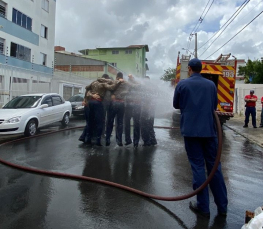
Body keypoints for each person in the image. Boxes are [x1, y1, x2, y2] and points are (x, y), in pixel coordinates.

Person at [173, 58, 228, 218]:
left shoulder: (182, 85)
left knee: (198, 166)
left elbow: (176, 105)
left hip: (191, 132)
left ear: (189, 68)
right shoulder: (211, 84)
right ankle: (222, 207)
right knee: (214, 166)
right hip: (209, 131)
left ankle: (203, 207)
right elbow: (213, 105)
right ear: (201, 69)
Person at [84, 77, 122, 146]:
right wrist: (118, 82)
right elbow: (112, 87)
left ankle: (88, 139)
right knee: (100, 122)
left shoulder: (93, 83)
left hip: (90, 102)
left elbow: (86, 87)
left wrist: (90, 95)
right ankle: (98, 140)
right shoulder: (103, 84)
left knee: (90, 121)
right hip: (98, 102)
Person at [106, 72, 138, 147]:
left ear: (117, 76)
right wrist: (132, 78)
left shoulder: (114, 82)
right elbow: (135, 86)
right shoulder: (126, 83)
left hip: (114, 103)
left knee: (110, 122)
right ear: (122, 77)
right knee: (120, 123)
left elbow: (109, 88)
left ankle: (107, 140)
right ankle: (119, 140)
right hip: (122, 104)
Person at [124, 74, 141, 148]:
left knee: (136, 123)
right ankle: (129, 140)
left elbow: (138, 85)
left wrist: (132, 79)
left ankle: (135, 141)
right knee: (128, 122)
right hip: (129, 105)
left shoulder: (136, 85)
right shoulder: (127, 85)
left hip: (135, 105)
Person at [140, 76, 157, 146]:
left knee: (144, 125)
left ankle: (147, 141)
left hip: (146, 109)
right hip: (152, 110)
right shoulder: (153, 88)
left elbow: (145, 99)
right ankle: (153, 140)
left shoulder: (144, 88)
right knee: (150, 125)